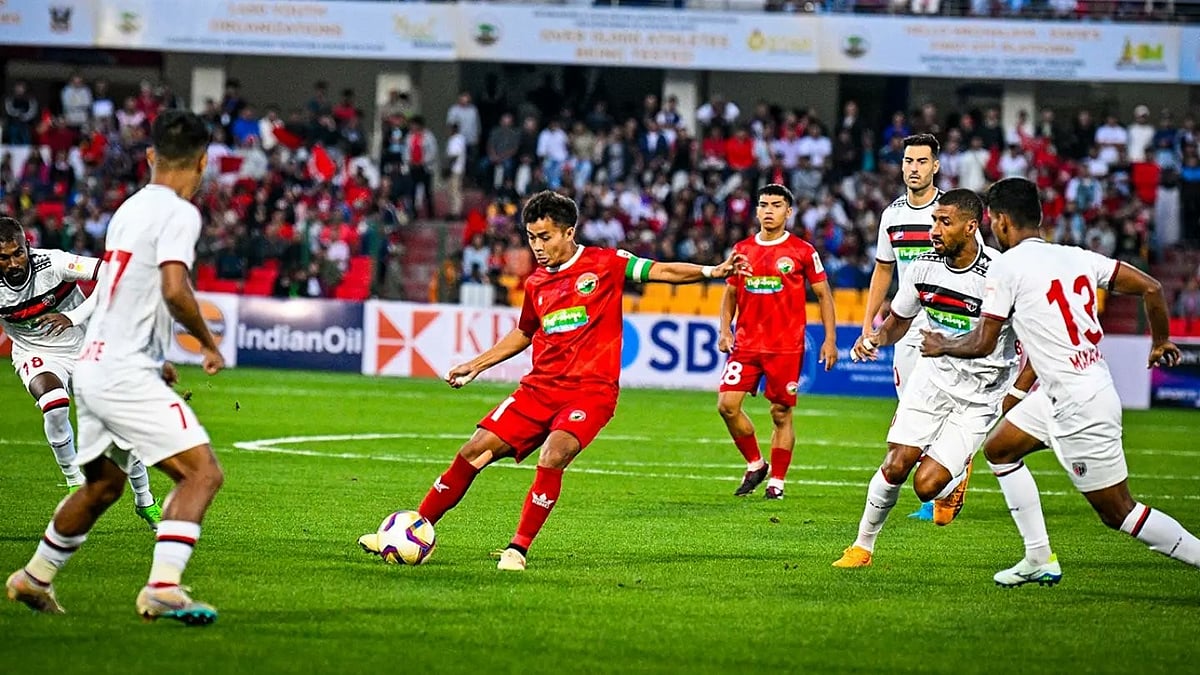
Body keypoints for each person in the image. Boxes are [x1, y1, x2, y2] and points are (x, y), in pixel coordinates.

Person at [359, 190, 748, 571]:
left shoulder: (606, 263)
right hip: (539, 389)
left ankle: (518, 548)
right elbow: (524, 332)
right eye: (531, 238)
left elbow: (659, 270)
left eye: (545, 237)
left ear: (569, 232)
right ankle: (416, 525)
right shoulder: (536, 283)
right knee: (472, 452)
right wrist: (476, 364)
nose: (538, 246)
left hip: (590, 393)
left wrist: (712, 271)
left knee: (553, 454)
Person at [922, 177, 1199, 586]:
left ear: (999, 222)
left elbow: (982, 343)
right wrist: (1159, 340)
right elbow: (1152, 288)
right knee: (1000, 449)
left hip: (1078, 404)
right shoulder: (1077, 257)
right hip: (1065, 391)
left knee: (1118, 512)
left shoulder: (1007, 267)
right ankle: (1038, 557)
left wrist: (942, 344)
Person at [6, 110, 227, 624]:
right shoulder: (181, 213)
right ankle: (163, 588)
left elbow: (118, 291)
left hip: (95, 363)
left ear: (151, 157)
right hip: (122, 369)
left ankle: (33, 576)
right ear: (201, 162)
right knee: (202, 474)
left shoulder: (128, 209)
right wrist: (208, 343)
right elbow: (173, 289)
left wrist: (155, 357)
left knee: (103, 486)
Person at [834, 189, 1018, 568]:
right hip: (933, 379)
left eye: (944, 222)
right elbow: (899, 321)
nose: (934, 229)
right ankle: (862, 547)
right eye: (934, 220)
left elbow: (1011, 339)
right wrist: (876, 338)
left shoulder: (1000, 274)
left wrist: (1018, 387)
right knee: (896, 463)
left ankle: (952, 483)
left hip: (980, 394)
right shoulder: (922, 265)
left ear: (971, 227)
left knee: (925, 486)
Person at [0, 219, 162, 527]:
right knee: (54, 403)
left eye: (18, 253)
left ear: (27, 247)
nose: (13, 262)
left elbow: (113, 272)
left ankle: (145, 500)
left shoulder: (55, 262)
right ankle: (75, 481)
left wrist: (72, 317)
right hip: (36, 353)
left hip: (85, 345)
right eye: (4, 258)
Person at [858, 133, 956, 521]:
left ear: (935, 166)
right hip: (904, 324)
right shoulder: (893, 214)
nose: (913, 169)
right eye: (908, 162)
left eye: (921, 161)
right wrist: (870, 323)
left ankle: (945, 488)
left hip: (946, 323)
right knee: (912, 405)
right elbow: (884, 269)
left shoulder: (951, 212)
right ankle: (944, 486)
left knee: (946, 404)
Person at [718, 184, 837, 499]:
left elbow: (824, 295)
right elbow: (730, 292)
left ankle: (777, 482)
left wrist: (830, 340)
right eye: (763, 205)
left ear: (789, 212)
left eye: (776, 205)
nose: (769, 211)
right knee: (727, 406)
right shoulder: (742, 249)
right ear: (756, 210)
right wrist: (725, 330)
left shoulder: (802, 251)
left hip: (785, 347)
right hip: (745, 344)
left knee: (780, 413)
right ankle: (756, 463)